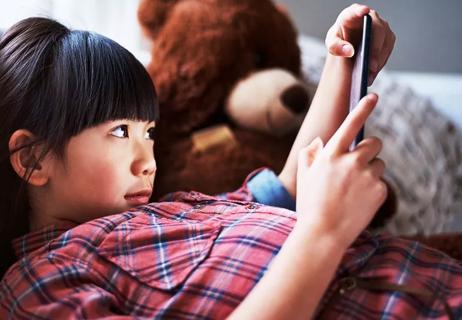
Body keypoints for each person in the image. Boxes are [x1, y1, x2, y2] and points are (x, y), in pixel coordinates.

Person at [0, 4, 460, 319]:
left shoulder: (179, 209)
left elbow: (289, 189)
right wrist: (325, 232)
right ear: (32, 159)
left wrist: (346, 64)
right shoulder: (42, 283)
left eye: (149, 132)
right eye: (119, 132)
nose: (148, 162)